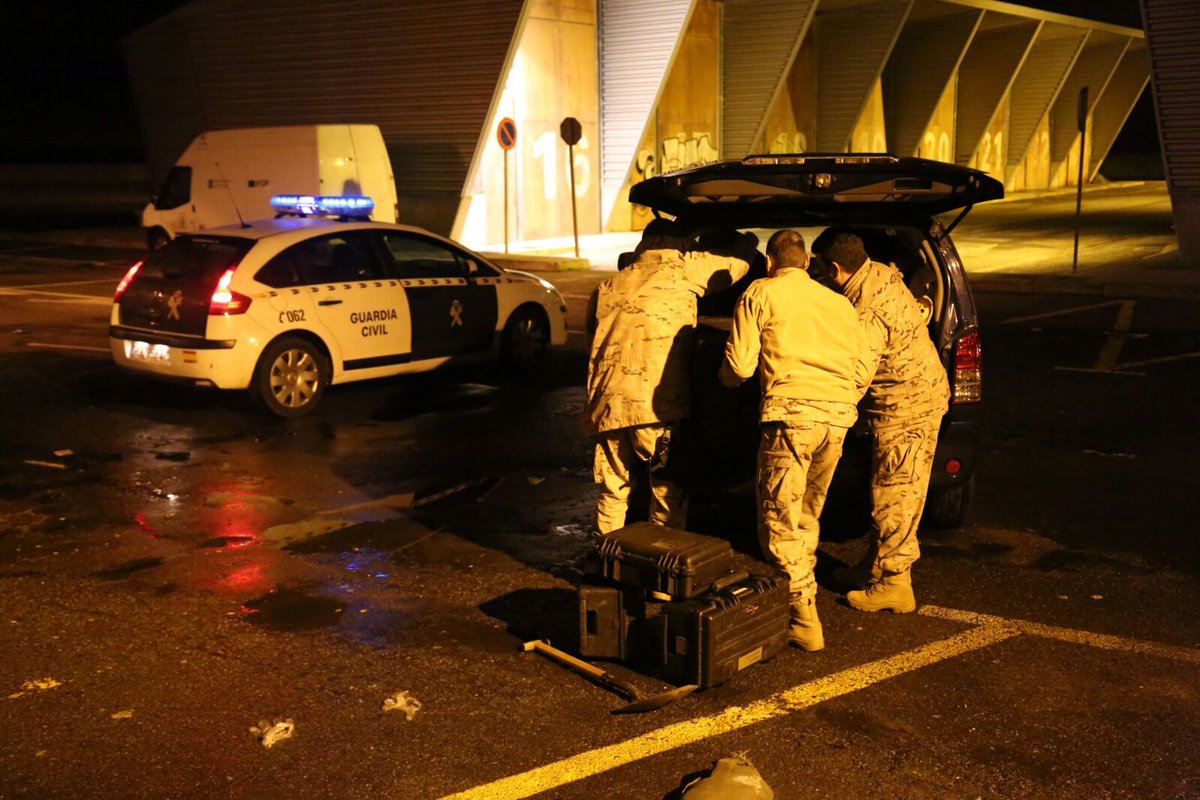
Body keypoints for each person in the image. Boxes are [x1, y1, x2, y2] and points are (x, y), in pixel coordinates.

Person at [719, 229, 864, 652]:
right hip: (836, 420)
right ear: (806, 263)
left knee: (780, 523)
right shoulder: (841, 304)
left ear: (769, 263)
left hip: (791, 419)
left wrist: (722, 381)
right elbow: (860, 369)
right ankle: (799, 590)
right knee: (805, 515)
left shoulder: (760, 293)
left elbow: (740, 367)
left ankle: (804, 618)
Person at [809, 228, 950, 614]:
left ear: (836, 268)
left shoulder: (866, 308)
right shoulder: (878, 273)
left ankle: (894, 585)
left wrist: (823, 414)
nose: (814, 272)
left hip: (906, 408)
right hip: (911, 400)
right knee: (885, 489)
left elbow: (857, 373)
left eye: (818, 266)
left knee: (894, 496)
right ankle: (873, 567)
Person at [585, 219, 756, 534]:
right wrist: (748, 237)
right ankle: (663, 571)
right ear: (679, 244)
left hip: (608, 405)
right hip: (657, 408)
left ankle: (607, 559)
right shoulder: (685, 270)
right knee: (666, 490)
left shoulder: (607, 286)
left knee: (612, 490)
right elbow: (738, 264)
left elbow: (590, 340)